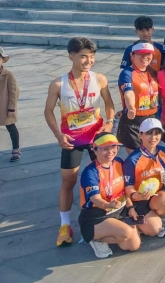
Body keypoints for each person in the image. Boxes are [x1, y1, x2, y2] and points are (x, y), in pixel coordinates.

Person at [43, 37, 115, 247]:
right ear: (71, 56)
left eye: (91, 57)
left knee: (104, 178)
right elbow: (48, 111)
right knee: (68, 181)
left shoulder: (99, 79)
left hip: (96, 137)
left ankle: (104, 214)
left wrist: (109, 123)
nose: (88, 61)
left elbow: (109, 104)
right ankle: (65, 225)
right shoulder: (58, 84)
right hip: (71, 139)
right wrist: (58, 135)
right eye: (83, 56)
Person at [78, 133, 142, 258]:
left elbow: (125, 189)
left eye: (114, 147)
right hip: (96, 215)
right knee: (126, 232)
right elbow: (95, 199)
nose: (110, 152)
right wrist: (108, 205)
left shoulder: (118, 162)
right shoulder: (90, 172)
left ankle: (112, 231)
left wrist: (130, 207)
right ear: (95, 150)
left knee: (133, 246)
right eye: (105, 149)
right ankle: (95, 238)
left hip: (118, 210)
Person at [122, 118, 165, 239]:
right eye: (148, 133)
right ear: (140, 135)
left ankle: (161, 219)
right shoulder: (132, 160)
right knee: (153, 230)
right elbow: (127, 187)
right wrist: (136, 196)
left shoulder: (164, 152)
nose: (153, 138)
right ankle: (138, 222)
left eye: (157, 133)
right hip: (139, 200)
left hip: (157, 195)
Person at [116, 43, 161, 151]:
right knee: (136, 156)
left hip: (152, 119)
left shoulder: (153, 72)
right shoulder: (127, 73)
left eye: (148, 54)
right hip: (133, 121)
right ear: (132, 55)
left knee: (150, 153)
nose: (145, 57)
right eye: (141, 54)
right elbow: (128, 93)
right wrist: (131, 107)